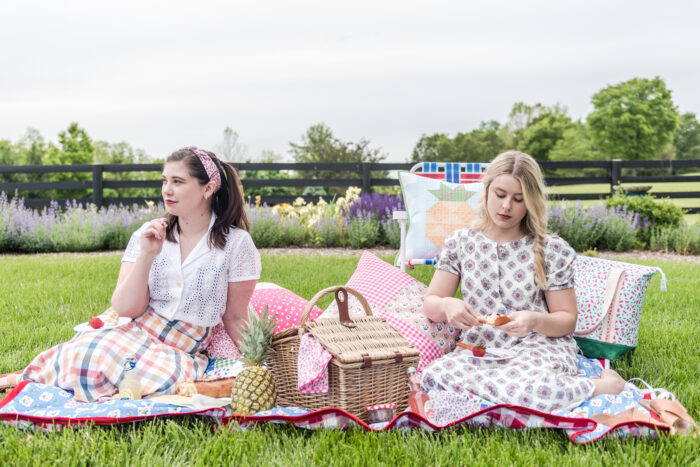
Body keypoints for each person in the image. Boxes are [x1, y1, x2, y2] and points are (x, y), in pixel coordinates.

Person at [21, 147, 261, 402]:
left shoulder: (236, 244)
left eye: (178, 182)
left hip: (180, 348)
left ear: (208, 188)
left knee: (146, 378)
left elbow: (235, 317)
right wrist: (146, 254)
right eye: (164, 180)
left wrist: (260, 365)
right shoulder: (146, 235)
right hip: (133, 329)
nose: (166, 190)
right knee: (91, 352)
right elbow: (125, 309)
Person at [420, 150, 626, 412]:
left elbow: (567, 319)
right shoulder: (460, 242)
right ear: (486, 190)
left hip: (537, 345)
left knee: (534, 391)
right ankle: (511, 394)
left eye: (518, 199)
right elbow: (431, 303)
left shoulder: (550, 249)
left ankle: (600, 387)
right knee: (433, 376)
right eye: (500, 194)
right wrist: (448, 304)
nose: (506, 206)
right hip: (481, 347)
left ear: (531, 201)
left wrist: (535, 321)